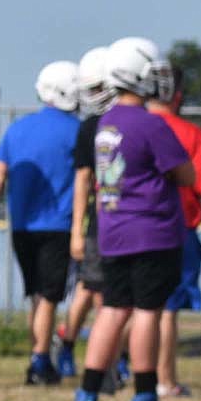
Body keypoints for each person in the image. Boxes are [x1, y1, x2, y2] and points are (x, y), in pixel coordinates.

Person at [71, 37, 194, 401]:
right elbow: (186, 175)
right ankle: (144, 395)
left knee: (112, 309)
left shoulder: (105, 122)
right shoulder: (150, 124)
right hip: (150, 231)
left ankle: (87, 393)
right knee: (146, 312)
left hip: (112, 231)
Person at [0, 60, 80, 386]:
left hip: (21, 226)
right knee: (49, 296)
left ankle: (38, 355)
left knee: (37, 294)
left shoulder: (18, 128)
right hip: (59, 225)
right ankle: (39, 360)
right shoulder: (76, 130)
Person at [146, 63, 201, 398]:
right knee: (166, 310)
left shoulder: (126, 127)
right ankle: (164, 379)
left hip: (128, 226)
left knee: (129, 306)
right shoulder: (188, 133)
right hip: (176, 228)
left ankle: (119, 368)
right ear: (176, 95)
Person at [58, 46, 115, 379]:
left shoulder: (132, 120)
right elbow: (83, 178)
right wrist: (78, 229)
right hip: (102, 218)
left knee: (114, 293)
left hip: (125, 218)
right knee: (90, 288)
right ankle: (69, 345)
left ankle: (116, 357)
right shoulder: (90, 127)